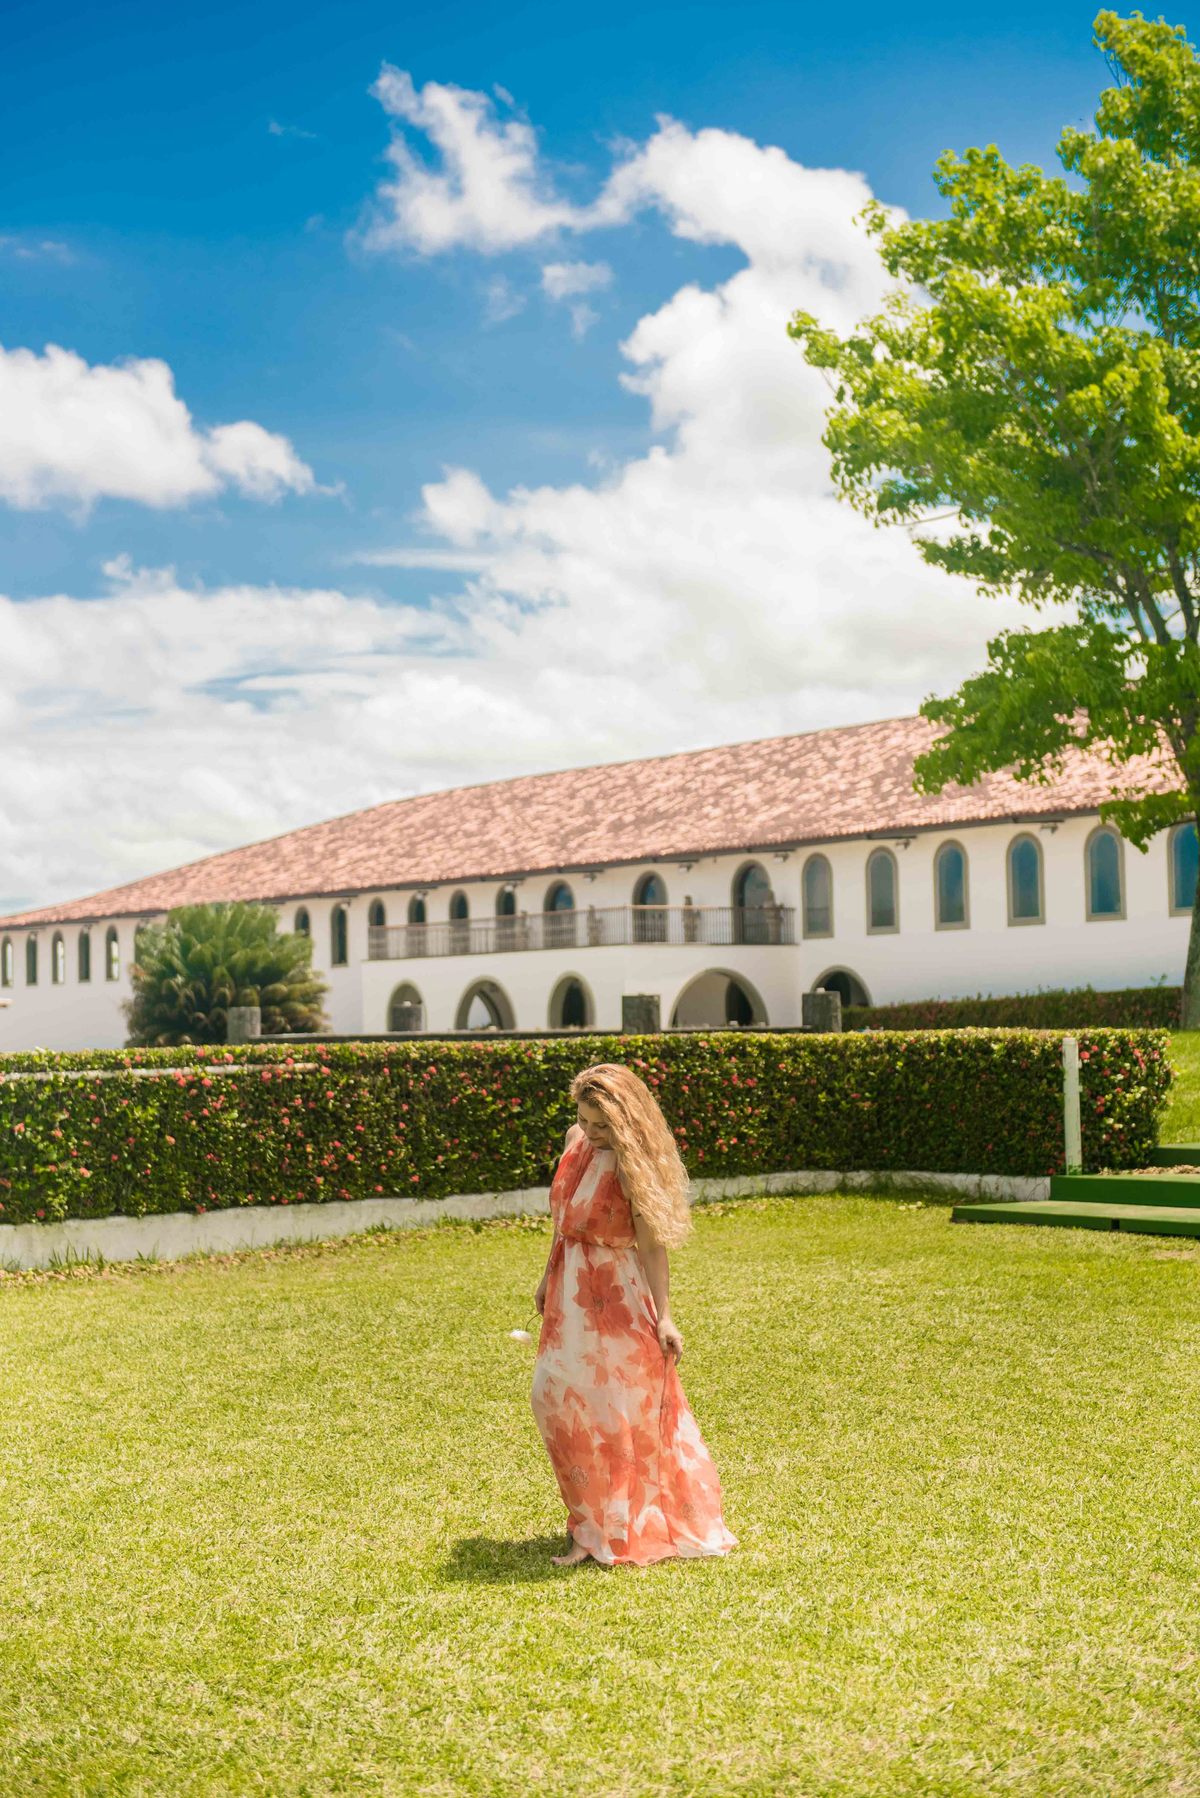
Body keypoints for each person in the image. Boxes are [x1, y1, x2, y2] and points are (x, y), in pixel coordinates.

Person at [531, 1061, 737, 1568]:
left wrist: (665, 1315)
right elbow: (561, 1223)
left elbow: (651, 1246)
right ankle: (587, 1522)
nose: (592, 1132)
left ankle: (612, 1529)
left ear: (624, 1120)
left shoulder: (630, 1161)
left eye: (602, 1125)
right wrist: (545, 1276)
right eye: (585, 1120)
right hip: (569, 1290)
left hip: (616, 1297)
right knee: (554, 1402)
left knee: (613, 1417)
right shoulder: (574, 1139)